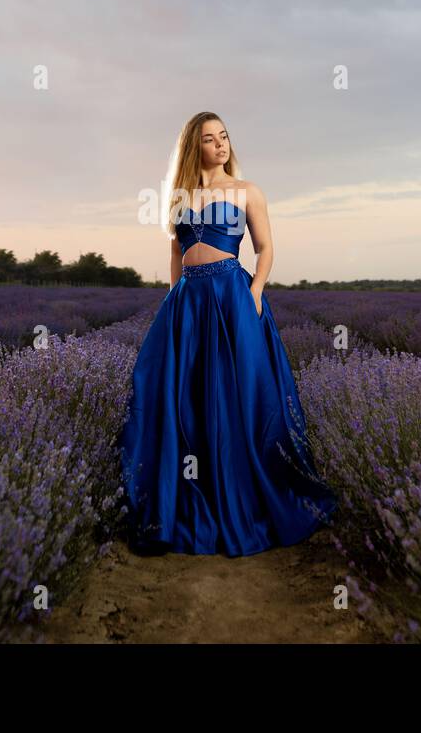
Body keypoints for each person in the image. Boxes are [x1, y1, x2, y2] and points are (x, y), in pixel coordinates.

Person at [116, 111, 338, 556]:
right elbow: (176, 253)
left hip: (231, 296)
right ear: (192, 147)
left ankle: (243, 496)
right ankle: (181, 499)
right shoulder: (179, 197)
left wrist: (255, 291)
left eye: (224, 136)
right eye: (210, 138)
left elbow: (266, 247)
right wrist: (174, 296)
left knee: (235, 396)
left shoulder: (247, 191)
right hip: (188, 302)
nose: (221, 144)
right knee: (181, 397)